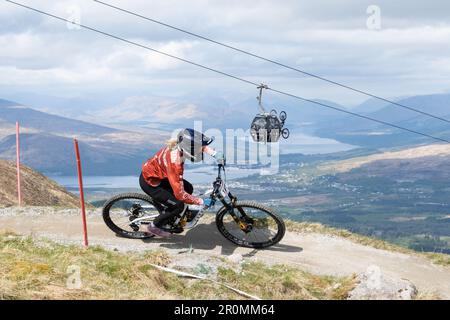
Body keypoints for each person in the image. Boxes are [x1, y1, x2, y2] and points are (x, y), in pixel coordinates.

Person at [139, 128, 222, 237]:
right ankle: (154, 227)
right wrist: (201, 201)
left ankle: (171, 215)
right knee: (178, 206)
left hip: (160, 177)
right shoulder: (176, 163)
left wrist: (214, 153)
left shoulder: (181, 146)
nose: (201, 150)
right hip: (151, 182)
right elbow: (180, 194)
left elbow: (199, 145)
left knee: (188, 188)